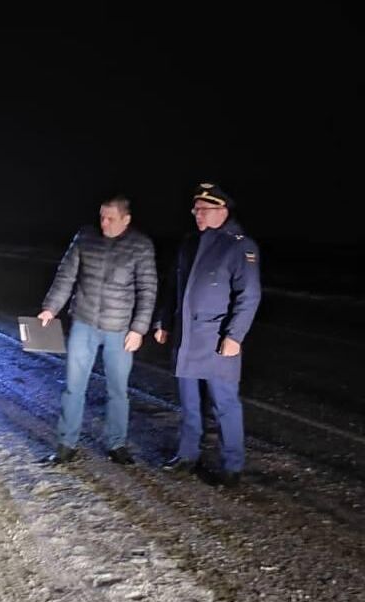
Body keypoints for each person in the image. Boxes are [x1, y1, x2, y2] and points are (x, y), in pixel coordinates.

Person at [153, 183, 261, 484]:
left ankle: (232, 466)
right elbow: (174, 287)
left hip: (217, 340)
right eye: (195, 210)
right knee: (188, 403)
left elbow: (249, 295)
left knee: (224, 404)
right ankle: (187, 455)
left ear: (222, 211)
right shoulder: (189, 243)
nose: (197, 215)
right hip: (187, 337)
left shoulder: (240, 246)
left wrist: (234, 336)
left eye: (204, 210)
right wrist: (163, 321)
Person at [38, 195, 157, 465]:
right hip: (84, 322)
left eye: (111, 218)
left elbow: (147, 290)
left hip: (119, 329)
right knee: (73, 387)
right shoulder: (85, 238)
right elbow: (66, 276)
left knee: (117, 389)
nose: (104, 222)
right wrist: (51, 308)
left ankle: (117, 444)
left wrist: (138, 329)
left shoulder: (140, 246)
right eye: (102, 216)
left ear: (126, 219)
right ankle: (66, 444)